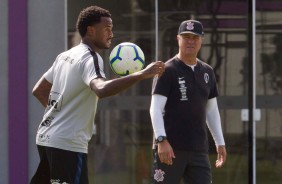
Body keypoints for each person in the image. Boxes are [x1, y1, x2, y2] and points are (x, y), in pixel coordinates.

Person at [30, 5, 165, 184]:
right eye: (107, 29)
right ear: (91, 30)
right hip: (67, 144)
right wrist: (141, 74)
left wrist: (60, 116)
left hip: (46, 138)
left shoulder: (65, 56)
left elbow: (38, 90)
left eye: (112, 29)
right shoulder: (90, 57)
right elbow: (101, 89)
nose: (111, 34)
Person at [149, 20, 227, 184]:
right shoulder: (167, 70)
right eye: (186, 37)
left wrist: (220, 142)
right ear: (178, 39)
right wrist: (161, 140)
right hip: (170, 149)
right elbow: (155, 109)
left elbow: (211, 111)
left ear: (201, 40)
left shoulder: (207, 71)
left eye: (195, 37)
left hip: (198, 150)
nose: (190, 41)